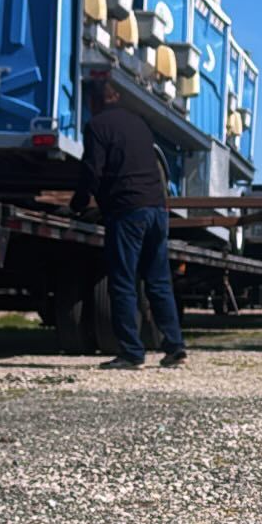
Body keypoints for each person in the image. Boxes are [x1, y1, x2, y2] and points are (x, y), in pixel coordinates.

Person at [71, 84, 188, 370]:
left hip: (128, 210)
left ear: (94, 102)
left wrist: (79, 201)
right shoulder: (139, 123)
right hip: (157, 209)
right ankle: (174, 347)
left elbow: (92, 169)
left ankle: (131, 353)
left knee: (123, 282)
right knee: (158, 281)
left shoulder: (97, 126)